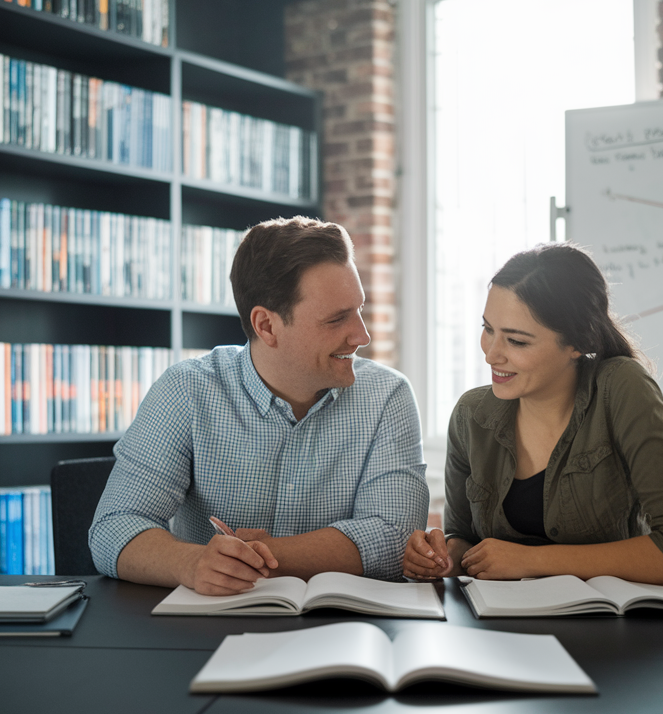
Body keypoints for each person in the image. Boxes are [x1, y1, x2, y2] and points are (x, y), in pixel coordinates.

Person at [90, 216, 429, 595]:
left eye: (359, 310)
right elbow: (113, 528)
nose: (362, 335)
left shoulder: (388, 396)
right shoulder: (187, 390)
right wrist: (193, 563)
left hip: (342, 631)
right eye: (337, 319)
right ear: (266, 326)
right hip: (211, 628)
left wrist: (266, 554)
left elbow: (396, 537)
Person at [403, 243, 663, 585]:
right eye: (488, 329)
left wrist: (532, 560)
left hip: (607, 630)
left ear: (577, 343)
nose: (491, 355)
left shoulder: (621, 386)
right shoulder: (471, 415)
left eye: (517, 341)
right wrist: (444, 558)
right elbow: (463, 538)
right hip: (500, 627)